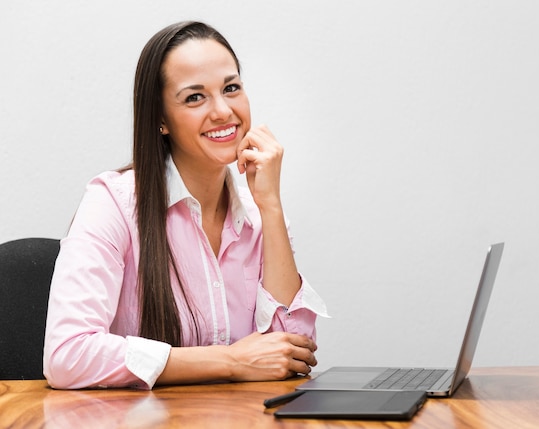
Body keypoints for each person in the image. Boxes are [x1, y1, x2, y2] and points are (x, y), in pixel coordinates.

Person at [43, 21, 328, 390]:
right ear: (161, 119)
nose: (223, 111)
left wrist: (271, 206)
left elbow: (292, 351)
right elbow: (68, 356)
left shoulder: (259, 214)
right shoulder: (113, 203)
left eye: (231, 88)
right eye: (195, 97)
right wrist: (229, 361)